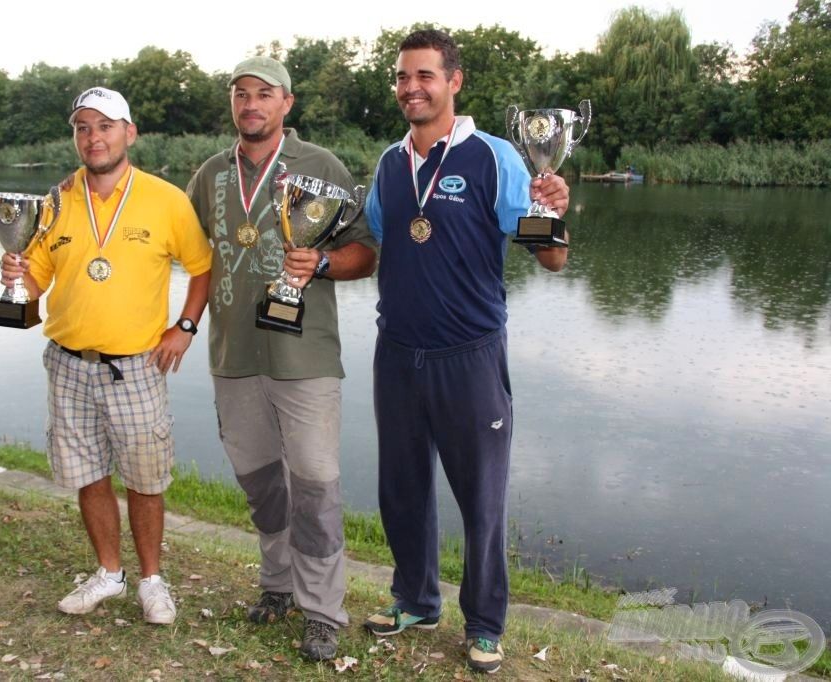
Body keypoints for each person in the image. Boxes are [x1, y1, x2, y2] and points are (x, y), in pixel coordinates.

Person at [362, 30, 571, 674]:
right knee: (401, 490)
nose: (411, 88)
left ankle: (484, 624)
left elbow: (554, 256)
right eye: (402, 77)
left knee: (481, 498)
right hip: (397, 352)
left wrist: (556, 208)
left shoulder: (495, 156)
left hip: (469, 356)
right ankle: (416, 600)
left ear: (454, 81)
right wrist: (308, 263)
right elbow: (376, 241)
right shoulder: (390, 164)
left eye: (424, 75)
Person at [186, 56, 377, 661]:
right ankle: (278, 586)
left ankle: (323, 611)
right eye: (239, 94)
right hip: (233, 355)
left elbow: (365, 253)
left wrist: (321, 262)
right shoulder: (211, 174)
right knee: (263, 485)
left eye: (263, 94)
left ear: (286, 103)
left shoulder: (321, 167)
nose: (250, 104)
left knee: (315, 487)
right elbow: (187, 254)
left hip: (305, 357)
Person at [0, 86, 212, 625]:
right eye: (83, 128)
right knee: (88, 474)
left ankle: (152, 581)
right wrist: (17, 280)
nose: (93, 137)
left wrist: (185, 327)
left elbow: (202, 267)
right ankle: (108, 573)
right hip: (68, 364)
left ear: (129, 133)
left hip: (137, 367)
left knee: (145, 479)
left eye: (105, 126)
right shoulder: (55, 201)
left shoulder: (166, 199)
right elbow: (38, 285)